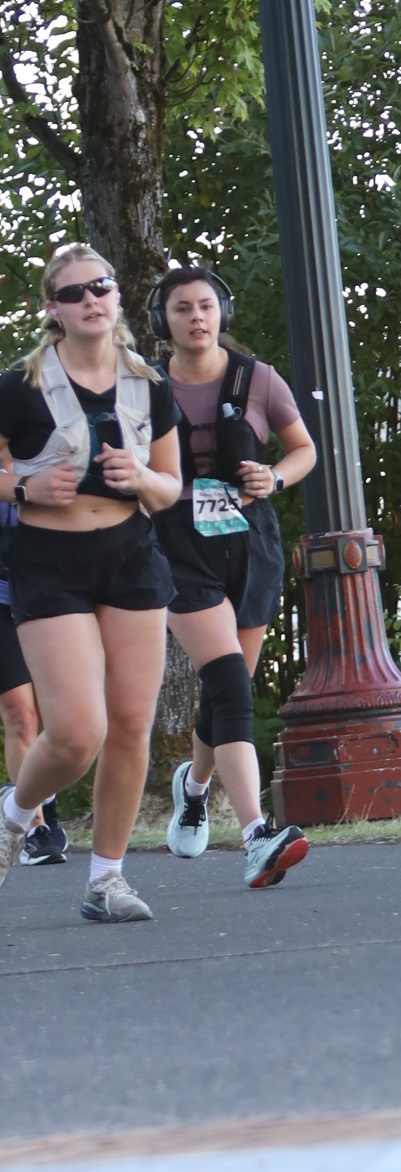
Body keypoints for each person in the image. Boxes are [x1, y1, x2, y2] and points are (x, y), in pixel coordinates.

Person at [0, 242, 184, 920]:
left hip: (131, 554)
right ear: (53, 308)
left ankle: (107, 880)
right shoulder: (18, 385)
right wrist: (24, 488)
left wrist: (142, 478)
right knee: (78, 732)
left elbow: (172, 486)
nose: (90, 300)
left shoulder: (149, 382)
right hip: (50, 559)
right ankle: (14, 814)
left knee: (131, 724)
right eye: (74, 292)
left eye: (100, 287)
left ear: (116, 296)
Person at [145, 263, 314, 887]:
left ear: (223, 313)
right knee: (228, 684)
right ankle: (256, 835)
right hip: (176, 545)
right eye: (182, 307)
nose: (197, 317)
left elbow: (303, 450)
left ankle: (193, 787)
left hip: (249, 543)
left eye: (206, 306)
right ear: (163, 320)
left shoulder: (257, 378)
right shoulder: (143, 386)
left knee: (231, 687)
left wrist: (275, 477)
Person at [0, 484, 68, 866]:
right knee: (21, 715)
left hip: (48, 591)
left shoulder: (46, 455)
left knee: (57, 717)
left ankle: (43, 795)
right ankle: (34, 828)